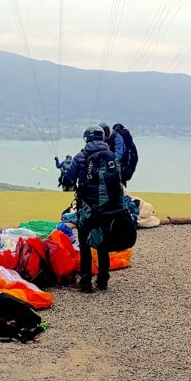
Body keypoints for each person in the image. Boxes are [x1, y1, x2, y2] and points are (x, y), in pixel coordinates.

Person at [64, 125, 118, 292]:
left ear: (86, 138)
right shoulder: (111, 158)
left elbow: (69, 180)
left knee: (85, 243)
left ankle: (86, 282)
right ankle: (103, 281)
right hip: (107, 208)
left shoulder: (80, 157)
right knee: (103, 243)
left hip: (87, 207)